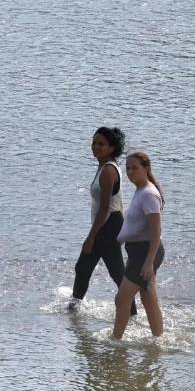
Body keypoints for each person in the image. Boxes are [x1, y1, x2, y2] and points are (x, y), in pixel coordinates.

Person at [71, 127, 134, 316]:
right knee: (112, 271)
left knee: (88, 267)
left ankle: (74, 308)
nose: (95, 147)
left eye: (101, 144)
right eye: (94, 143)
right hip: (109, 223)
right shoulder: (104, 166)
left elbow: (105, 208)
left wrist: (91, 237)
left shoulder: (108, 171)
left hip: (109, 224)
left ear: (111, 148)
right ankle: (131, 312)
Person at [112, 151, 166, 339]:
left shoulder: (149, 194)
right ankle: (158, 340)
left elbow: (156, 231)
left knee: (122, 299)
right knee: (148, 299)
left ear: (146, 168)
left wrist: (149, 263)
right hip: (137, 252)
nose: (130, 172)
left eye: (135, 168)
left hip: (146, 252)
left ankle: (116, 341)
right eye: (127, 168)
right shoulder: (141, 190)